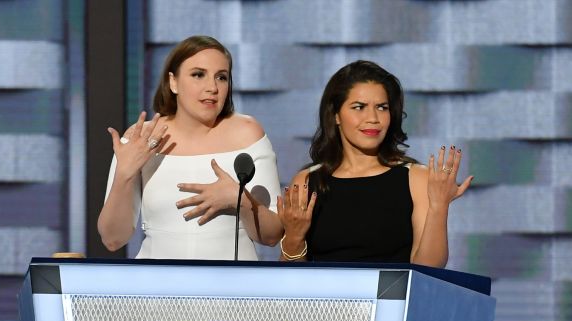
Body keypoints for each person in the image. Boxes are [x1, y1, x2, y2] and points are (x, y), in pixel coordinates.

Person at [97, 35, 283, 260]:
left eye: (221, 77)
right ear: (173, 82)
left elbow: (273, 236)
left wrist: (240, 200)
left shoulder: (248, 133)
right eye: (198, 75)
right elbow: (113, 239)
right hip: (157, 288)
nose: (212, 87)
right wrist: (124, 175)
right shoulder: (142, 138)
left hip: (233, 290)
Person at [277, 60, 472, 268]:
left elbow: (429, 270)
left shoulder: (416, 178)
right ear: (335, 115)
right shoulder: (307, 181)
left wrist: (438, 206)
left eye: (382, 107)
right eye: (359, 107)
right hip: (326, 300)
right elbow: (290, 283)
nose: (373, 118)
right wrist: (294, 238)